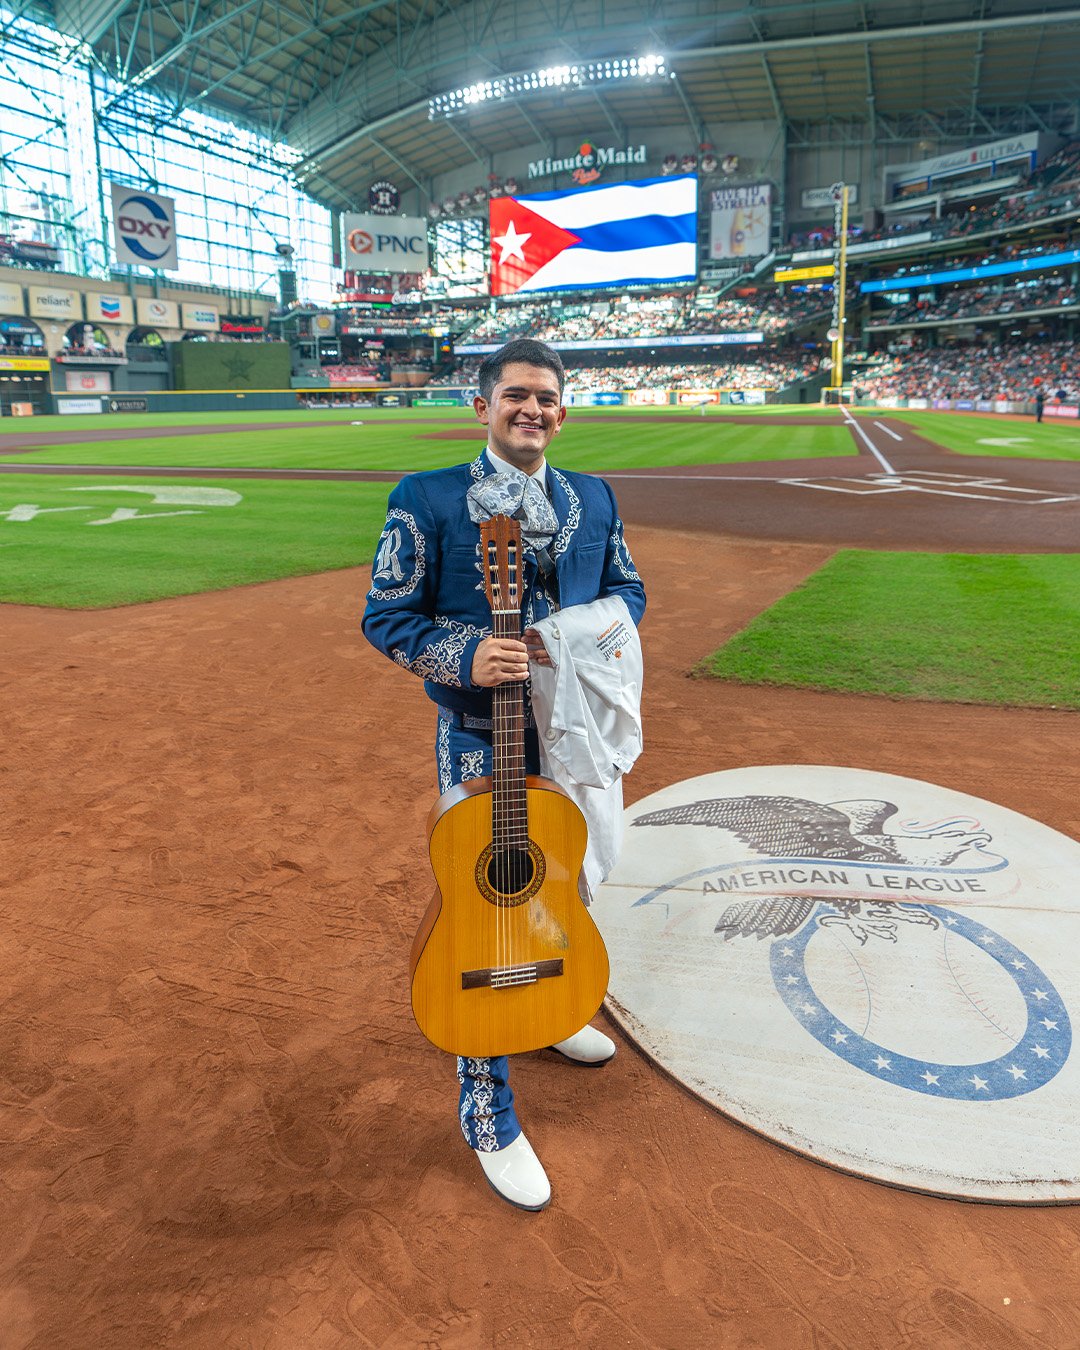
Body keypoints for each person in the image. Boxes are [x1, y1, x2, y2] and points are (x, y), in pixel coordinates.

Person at [363, 337, 646, 1211]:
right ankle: (486, 1106)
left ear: (564, 413)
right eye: (516, 395)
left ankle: (551, 1013)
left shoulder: (592, 496)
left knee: (569, 881)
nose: (533, 410)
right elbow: (386, 614)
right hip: (481, 738)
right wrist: (462, 652)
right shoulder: (427, 499)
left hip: (574, 737)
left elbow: (629, 593)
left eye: (547, 399)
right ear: (482, 405)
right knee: (485, 904)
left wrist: (570, 639)